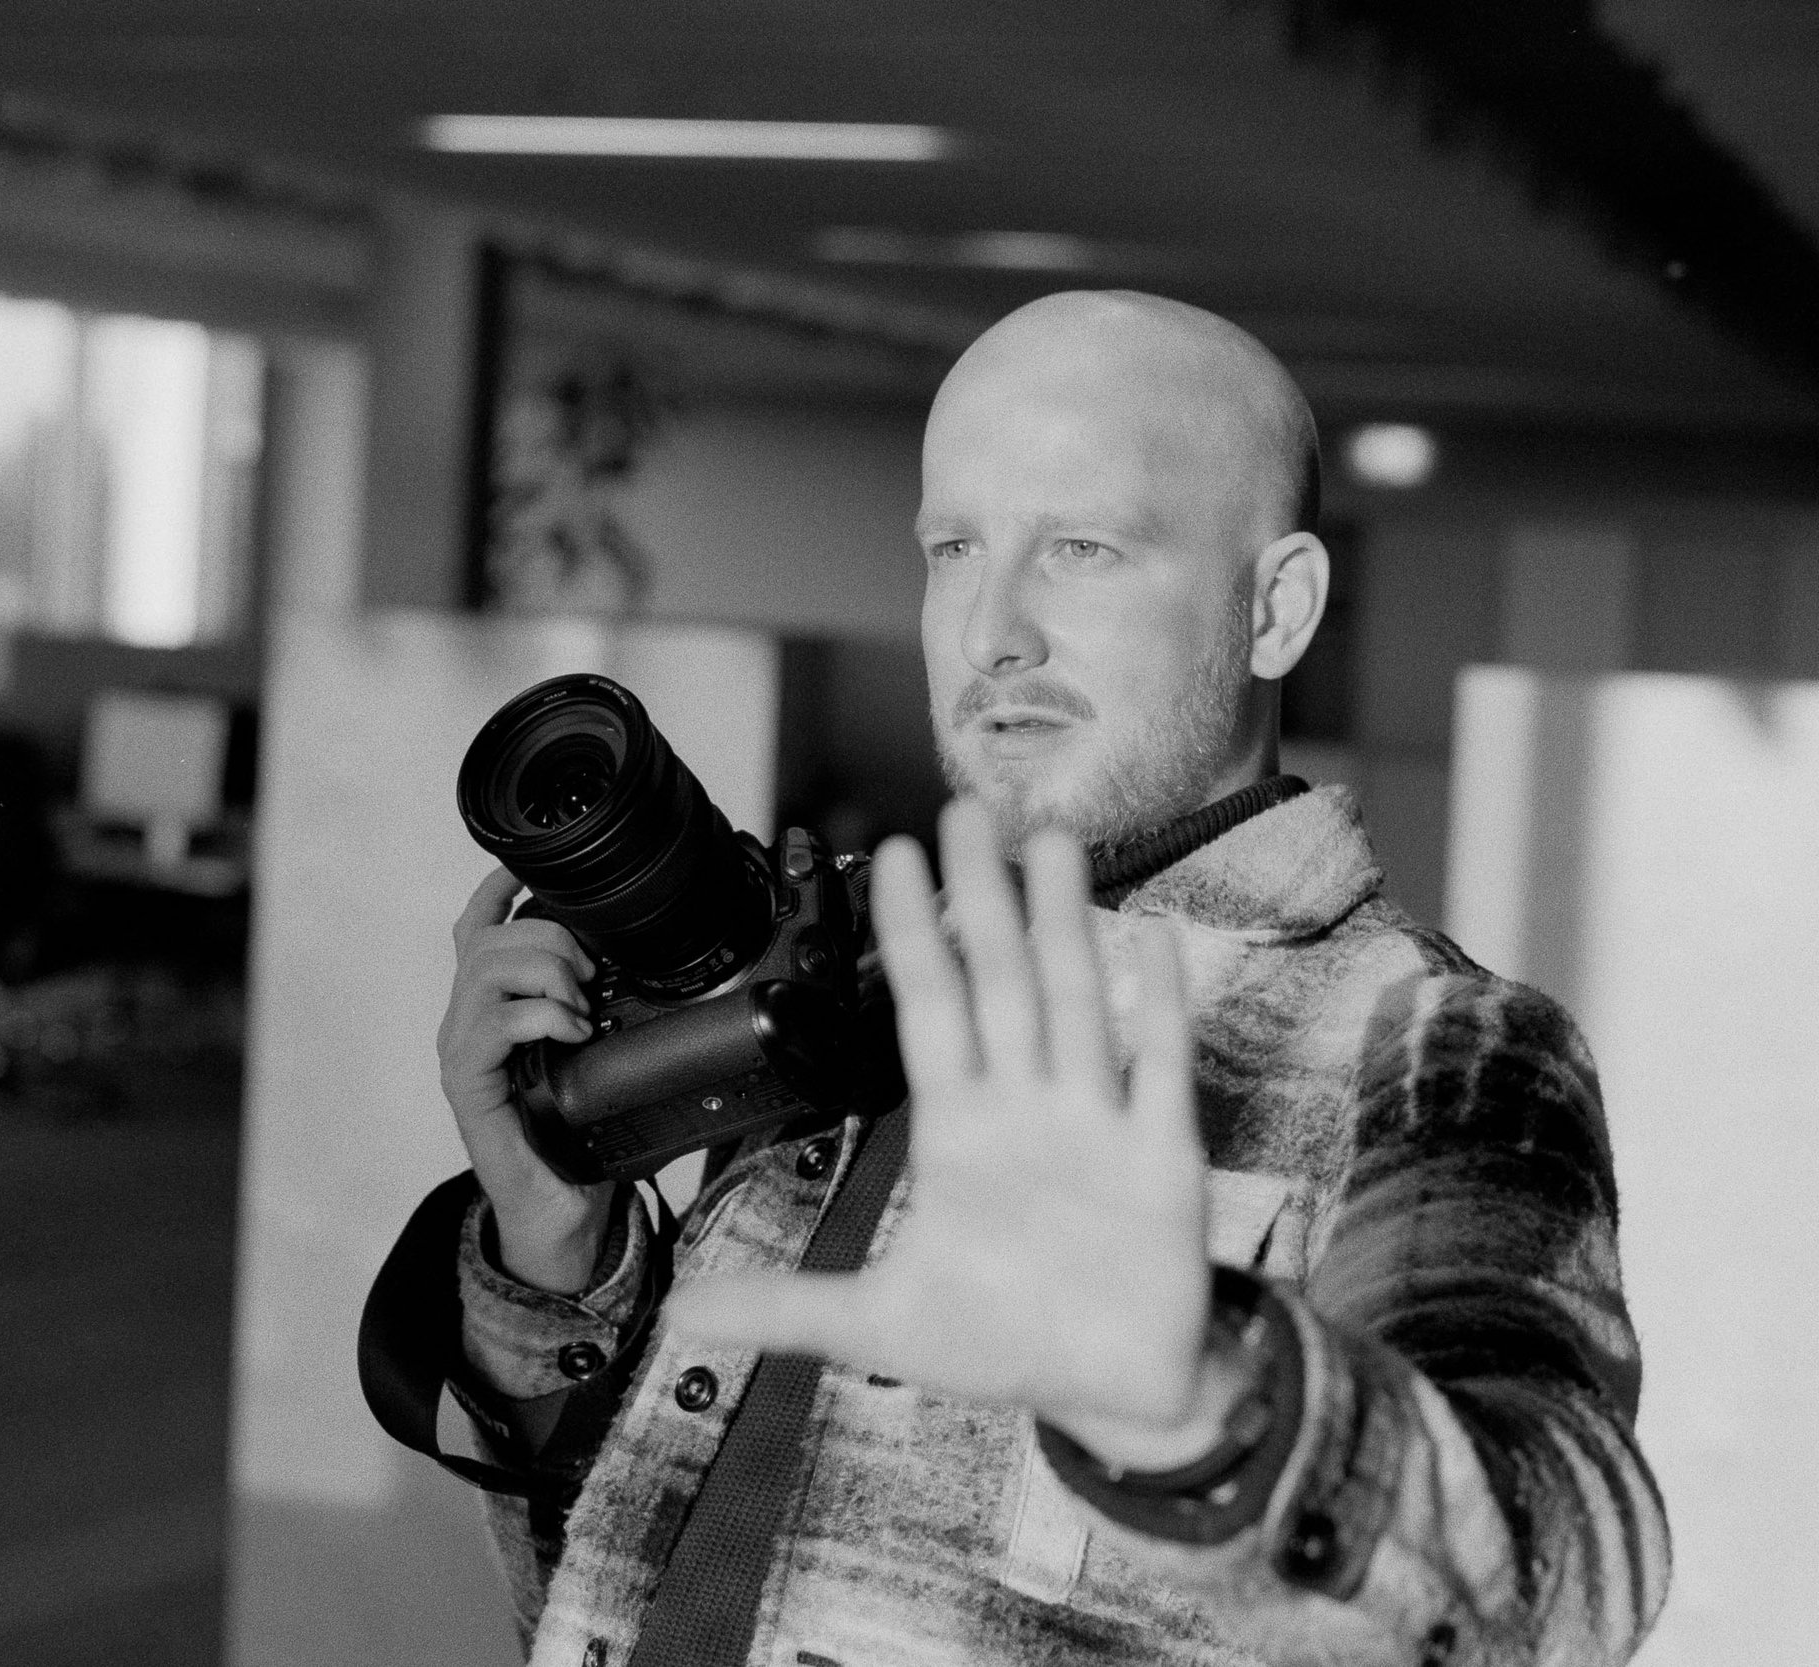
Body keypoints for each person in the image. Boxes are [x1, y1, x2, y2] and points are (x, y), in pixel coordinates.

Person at [363, 290, 1669, 1665]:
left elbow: (1563, 1581)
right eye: (954, 549)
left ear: (1276, 608)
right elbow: (614, 1600)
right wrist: (554, 1250)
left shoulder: (1428, 1042)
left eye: (1081, 549)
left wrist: (1208, 1401)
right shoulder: (860, 978)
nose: (993, 630)